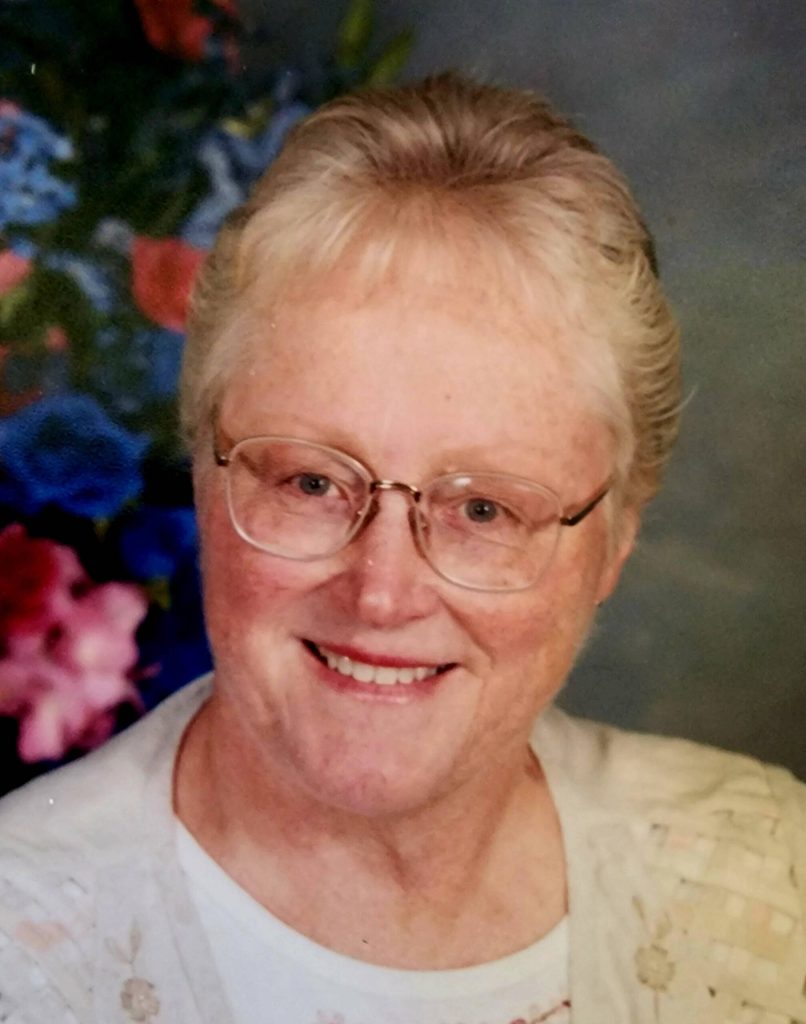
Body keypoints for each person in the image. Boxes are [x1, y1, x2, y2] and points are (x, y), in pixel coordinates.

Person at [1, 72, 804, 1024]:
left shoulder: (773, 879)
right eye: (310, 482)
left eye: (485, 510)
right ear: (206, 481)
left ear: (615, 540)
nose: (381, 593)